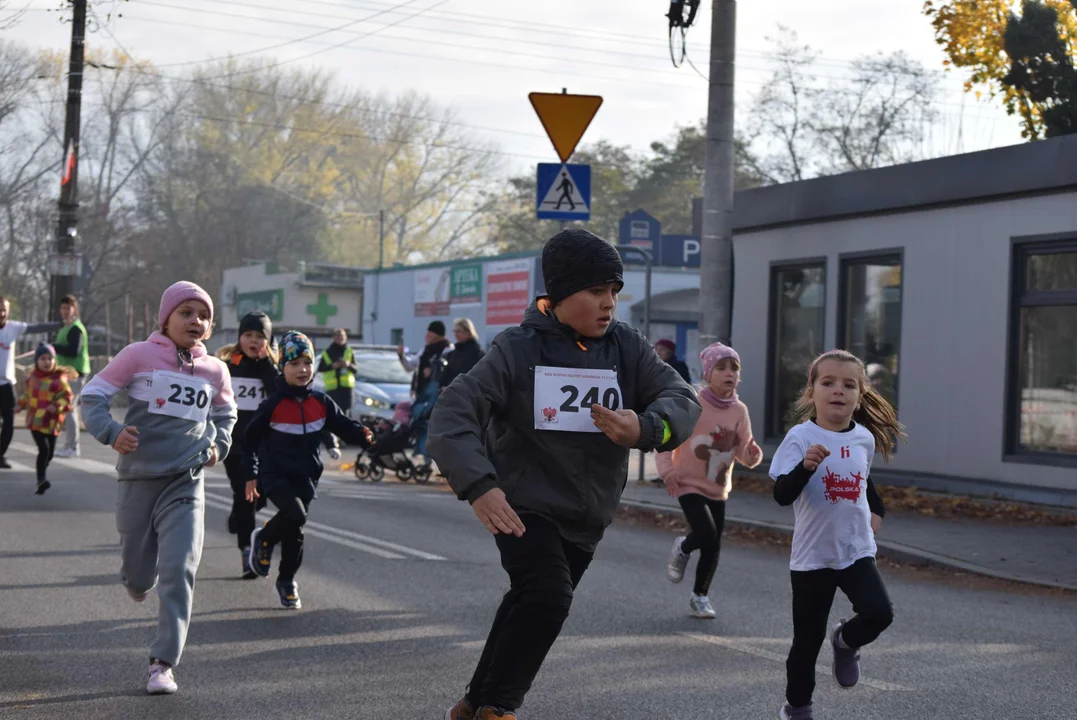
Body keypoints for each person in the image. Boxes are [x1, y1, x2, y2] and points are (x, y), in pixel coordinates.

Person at [428, 229, 701, 720]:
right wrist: (480, 487)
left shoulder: (628, 348)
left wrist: (646, 426)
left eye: (614, 292)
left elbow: (682, 400)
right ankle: (500, 708)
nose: (608, 304)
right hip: (522, 505)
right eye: (596, 291)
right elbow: (452, 413)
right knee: (548, 597)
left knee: (527, 601)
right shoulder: (517, 348)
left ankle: (472, 704)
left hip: (587, 512)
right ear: (556, 296)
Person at [81, 281, 237, 696]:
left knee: (179, 569)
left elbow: (227, 414)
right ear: (165, 319)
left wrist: (218, 445)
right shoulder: (137, 355)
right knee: (139, 575)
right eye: (186, 312)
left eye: (203, 315)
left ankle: (162, 663)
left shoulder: (214, 369)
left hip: (186, 481)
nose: (196, 321)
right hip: (138, 479)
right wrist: (112, 432)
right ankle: (136, 580)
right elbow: (92, 396)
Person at [769, 348, 905, 720]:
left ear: (860, 395)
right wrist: (805, 468)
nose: (838, 390)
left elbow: (868, 491)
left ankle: (846, 641)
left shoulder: (863, 439)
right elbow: (782, 495)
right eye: (827, 382)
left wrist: (872, 521)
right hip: (813, 557)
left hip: (855, 552)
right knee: (806, 644)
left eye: (849, 385)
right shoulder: (800, 437)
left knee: (880, 613)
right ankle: (797, 709)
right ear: (811, 391)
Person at [246, 331, 374, 609]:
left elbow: (342, 425)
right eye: (294, 364)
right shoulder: (273, 405)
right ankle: (265, 538)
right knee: (295, 514)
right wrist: (250, 473)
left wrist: (363, 433)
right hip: (275, 474)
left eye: (306, 362)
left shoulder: (320, 402)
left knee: (295, 530)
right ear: (282, 367)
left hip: (305, 476)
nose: (302, 370)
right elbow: (249, 439)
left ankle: (286, 579)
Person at [657, 342, 762, 618]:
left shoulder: (740, 411)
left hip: (718, 486)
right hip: (687, 482)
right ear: (707, 374)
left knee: (713, 546)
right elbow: (667, 437)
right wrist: (667, 470)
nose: (729, 373)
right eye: (722, 367)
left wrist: (752, 454)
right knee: (706, 533)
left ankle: (700, 596)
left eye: (734, 368)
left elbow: (742, 450)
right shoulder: (692, 402)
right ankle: (683, 546)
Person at [216, 311, 279, 579]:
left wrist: (266, 365)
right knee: (245, 495)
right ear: (239, 337)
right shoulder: (228, 366)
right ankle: (246, 551)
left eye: (259, 336)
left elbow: (279, 394)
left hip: (266, 445)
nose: (253, 341)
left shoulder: (273, 368)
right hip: (236, 444)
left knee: (259, 495)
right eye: (248, 335)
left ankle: (238, 514)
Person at [0, 296, 60, 469]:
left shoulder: (13, 327)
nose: (1, 312)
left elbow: (36, 328)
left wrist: (60, 324)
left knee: (9, 425)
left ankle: (0, 455)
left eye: (4, 309)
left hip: (6, 384)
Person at [17, 343, 75, 495]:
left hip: (52, 422)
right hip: (35, 421)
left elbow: (67, 398)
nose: (46, 362)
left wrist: (56, 406)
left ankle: (41, 469)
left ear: (55, 361)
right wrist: (20, 405)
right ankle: (41, 480)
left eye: (50, 358)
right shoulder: (32, 378)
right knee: (44, 449)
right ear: (36, 361)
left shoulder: (60, 380)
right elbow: (27, 395)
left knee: (48, 454)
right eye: (43, 358)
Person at [406, 321, 451, 464]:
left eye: (430, 334)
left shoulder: (447, 349)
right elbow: (412, 366)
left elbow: (447, 368)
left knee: (429, 423)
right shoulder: (425, 349)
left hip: (436, 393)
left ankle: (428, 458)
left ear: (438, 336)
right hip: (423, 392)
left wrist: (434, 370)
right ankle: (422, 453)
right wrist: (401, 356)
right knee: (420, 420)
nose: (427, 336)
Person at [54, 294, 89, 458]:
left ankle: (73, 447)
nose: (65, 311)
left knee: (69, 408)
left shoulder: (76, 328)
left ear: (74, 309)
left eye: (68, 308)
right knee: (68, 408)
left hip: (76, 373)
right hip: (66, 373)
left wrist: (53, 347)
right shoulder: (66, 327)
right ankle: (69, 445)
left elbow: (73, 351)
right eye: (63, 308)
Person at [317, 327, 356, 416]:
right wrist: (332, 366)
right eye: (338, 336)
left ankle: (345, 430)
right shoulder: (327, 352)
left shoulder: (349, 351)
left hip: (347, 388)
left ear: (345, 337)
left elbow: (355, 369)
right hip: (332, 388)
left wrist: (348, 365)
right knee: (333, 412)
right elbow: (320, 368)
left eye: (342, 336)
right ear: (333, 338)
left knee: (346, 413)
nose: (340, 338)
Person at [440, 317, 484, 390]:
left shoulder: (477, 352)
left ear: (468, 332)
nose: (456, 334)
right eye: (454, 331)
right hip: (451, 392)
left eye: (459, 331)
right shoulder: (453, 353)